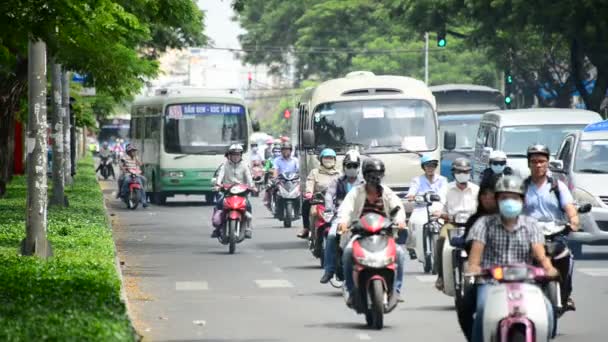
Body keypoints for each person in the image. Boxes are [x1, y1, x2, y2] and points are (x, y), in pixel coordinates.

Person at [463, 175, 558, 341]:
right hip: (490, 282)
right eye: (504, 198)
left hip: (526, 282)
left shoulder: (531, 224)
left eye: (514, 197)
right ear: (497, 200)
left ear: (522, 200)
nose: (509, 201)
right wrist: (474, 268)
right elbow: (475, 255)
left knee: (548, 310)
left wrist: (548, 268)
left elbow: (540, 253)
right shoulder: (483, 223)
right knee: (482, 308)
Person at [337, 158, 407, 306]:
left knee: (400, 253)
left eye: (378, 173)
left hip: (383, 234)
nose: (375, 177)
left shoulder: (386, 193)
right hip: (360, 234)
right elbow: (346, 209)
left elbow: (398, 208)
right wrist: (343, 223)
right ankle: (350, 289)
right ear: (365, 174)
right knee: (348, 253)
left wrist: (400, 221)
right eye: (371, 173)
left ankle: (396, 290)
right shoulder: (356, 192)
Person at [523, 144, 579, 313]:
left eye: (541, 161)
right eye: (534, 162)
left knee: (567, 258)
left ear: (548, 163)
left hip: (556, 234)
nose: (538, 165)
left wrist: (574, 221)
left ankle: (565, 295)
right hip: (530, 236)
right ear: (529, 164)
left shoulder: (557, 186)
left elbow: (569, 208)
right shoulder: (522, 187)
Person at [433, 158, 479, 291]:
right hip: (452, 224)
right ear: (453, 173)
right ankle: (441, 275)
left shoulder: (476, 189)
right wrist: (438, 212)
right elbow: (438, 203)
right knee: (441, 239)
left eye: (466, 171)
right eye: (459, 171)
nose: (463, 174)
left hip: (472, 225)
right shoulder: (446, 188)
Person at [319, 150, 364, 283]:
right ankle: (329, 269)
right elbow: (329, 195)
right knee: (332, 236)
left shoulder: (364, 182)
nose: (351, 169)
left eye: (354, 165)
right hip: (341, 216)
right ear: (344, 166)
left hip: (360, 216)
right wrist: (328, 208)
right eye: (349, 165)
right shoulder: (337, 181)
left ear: (359, 166)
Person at [405, 154, 448, 258]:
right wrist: (411, 196)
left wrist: (440, 199)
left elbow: (444, 192)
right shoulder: (417, 180)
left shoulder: (442, 179)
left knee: (444, 222)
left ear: (435, 167)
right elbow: (412, 192)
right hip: (421, 207)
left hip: (437, 207)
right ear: (423, 167)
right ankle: (411, 247)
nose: (430, 168)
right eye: (427, 166)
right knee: (412, 222)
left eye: (432, 165)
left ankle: (445, 247)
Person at [212, 144, 255, 239]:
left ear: (241, 155)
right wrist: (218, 185)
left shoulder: (245, 166)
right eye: (233, 154)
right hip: (227, 192)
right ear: (229, 155)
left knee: (248, 206)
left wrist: (252, 186)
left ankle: (248, 228)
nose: (236, 156)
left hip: (241, 192)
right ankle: (218, 228)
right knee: (219, 204)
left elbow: (249, 177)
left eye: (238, 154)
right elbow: (220, 176)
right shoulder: (224, 165)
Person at [298, 148, 341, 238]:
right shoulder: (315, 172)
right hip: (319, 199)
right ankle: (306, 228)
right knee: (307, 205)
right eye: (326, 158)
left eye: (330, 158)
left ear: (334, 160)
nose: (328, 160)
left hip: (334, 201)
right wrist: (309, 193)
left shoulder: (339, 174)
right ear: (321, 160)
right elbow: (310, 182)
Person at [264, 142, 299, 207]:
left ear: (290, 150)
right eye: (283, 150)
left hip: (293, 180)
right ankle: (268, 201)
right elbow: (275, 170)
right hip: (281, 180)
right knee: (270, 186)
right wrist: (274, 178)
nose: (285, 151)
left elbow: (298, 170)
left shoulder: (295, 160)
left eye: (287, 149)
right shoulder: (277, 160)